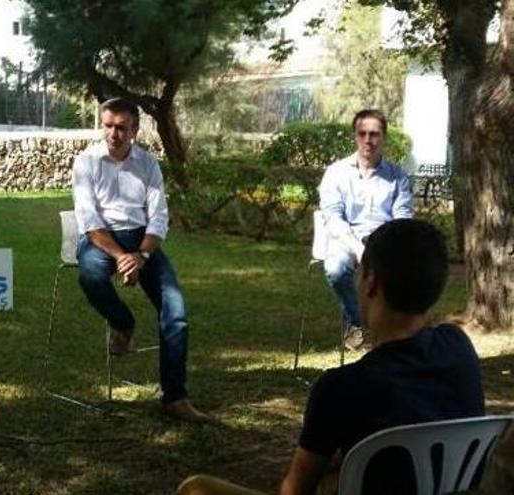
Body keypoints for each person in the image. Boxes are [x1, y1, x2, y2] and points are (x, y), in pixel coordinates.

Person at [178, 218, 486, 495]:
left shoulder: (341, 388)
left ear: (371, 282)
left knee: (196, 488)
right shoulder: (458, 347)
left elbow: (295, 490)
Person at [72, 97, 208, 423]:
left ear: (134, 129)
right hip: (101, 240)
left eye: (121, 127)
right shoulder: (86, 162)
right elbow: (90, 222)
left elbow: (159, 218)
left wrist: (142, 255)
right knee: (90, 275)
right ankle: (123, 324)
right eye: (108, 126)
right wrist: (122, 258)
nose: (113, 133)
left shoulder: (148, 165)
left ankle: (175, 397)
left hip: (142, 243)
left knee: (175, 312)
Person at [319, 109, 413, 350]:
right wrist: (358, 248)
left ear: (384, 137)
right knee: (336, 268)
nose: (368, 140)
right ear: (355, 136)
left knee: (401, 272)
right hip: (346, 238)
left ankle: (393, 331)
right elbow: (332, 216)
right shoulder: (336, 172)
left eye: (374, 134)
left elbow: (402, 218)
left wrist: (381, 246)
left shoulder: (397, 176)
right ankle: (357, 322)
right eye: (362, 134)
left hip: (383, 239)